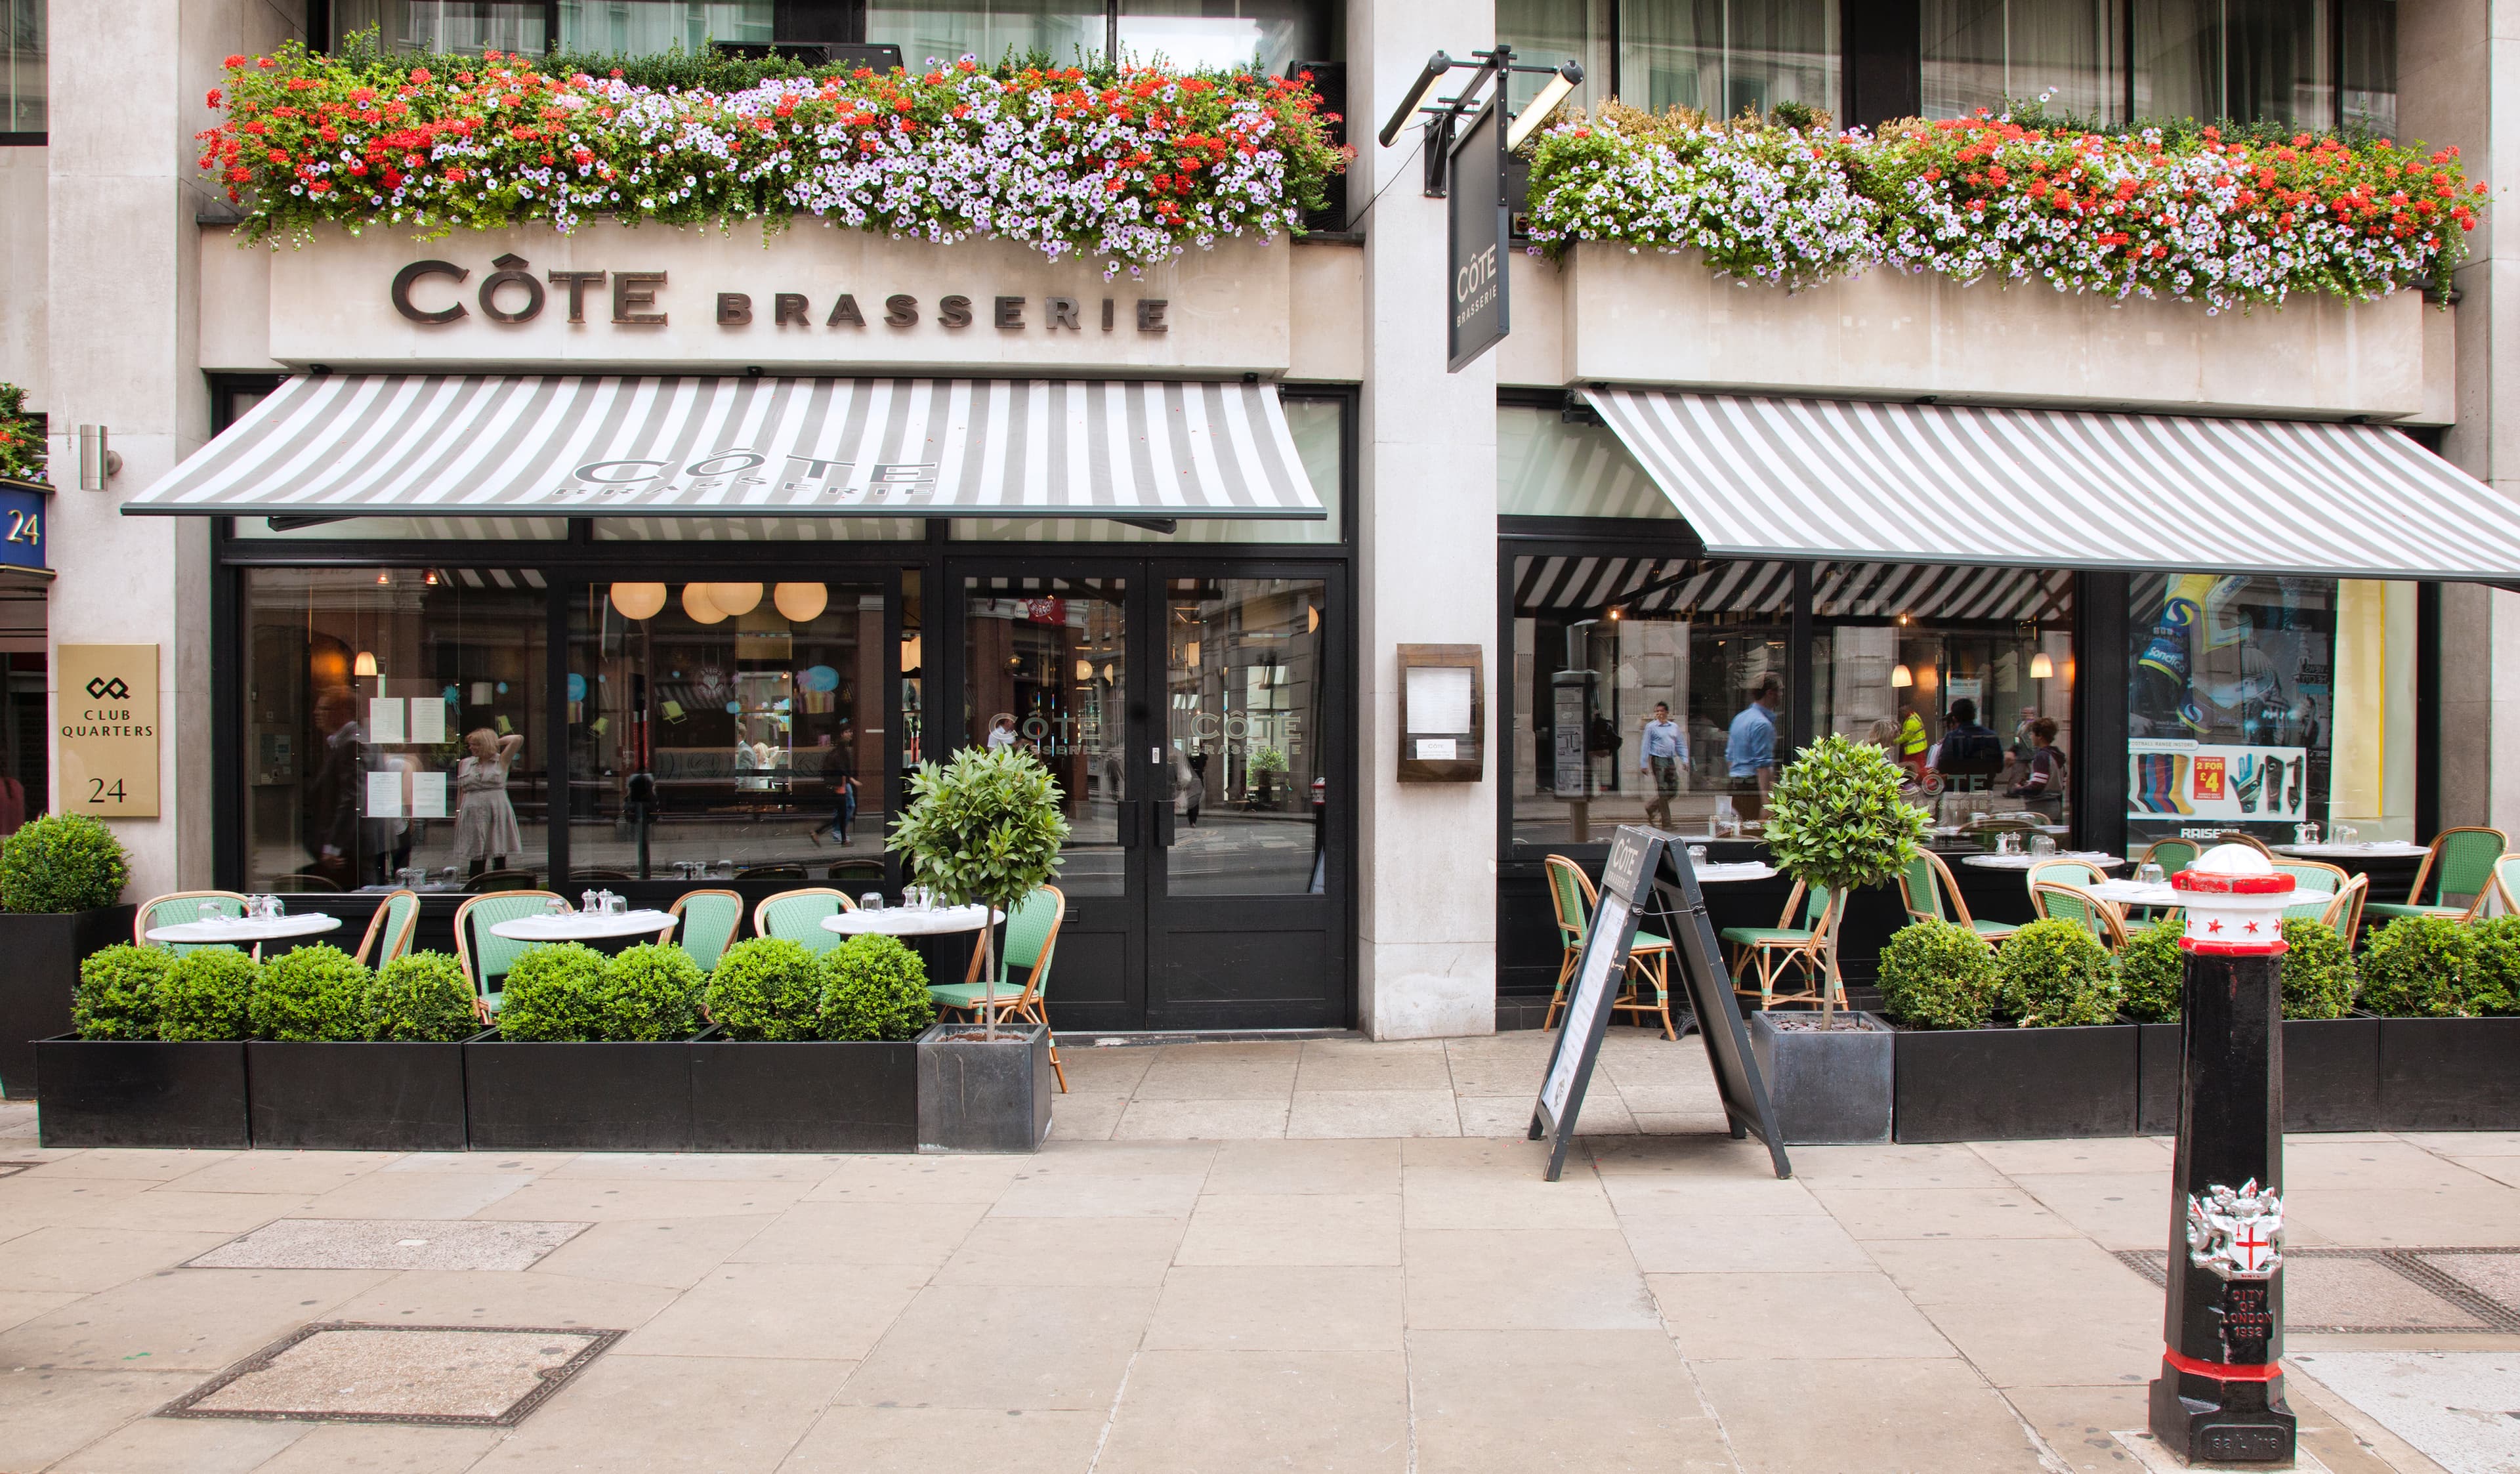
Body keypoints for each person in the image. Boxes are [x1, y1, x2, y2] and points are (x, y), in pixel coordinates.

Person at [453, 726, 526, 876]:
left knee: (498, 852)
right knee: (476, 854)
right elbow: (461, 790)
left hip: (496, 809)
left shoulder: (501, 760)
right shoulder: (465, 763)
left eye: (476, 744)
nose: (471, 748)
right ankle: (475, 886)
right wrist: (458, 813)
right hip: (472, 809)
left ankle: (499, 885)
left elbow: (517, 739)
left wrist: (493, 743)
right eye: (471, 744)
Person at [1725, 676, 1782, 805]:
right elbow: (1763, 766)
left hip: (1736, 785)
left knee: (1741, 824)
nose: (1782, 695)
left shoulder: (1740, 718)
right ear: (1770, 693)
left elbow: (1729, 757)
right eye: (1780, 691)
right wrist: (1766, 801)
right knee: (1755, 824)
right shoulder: (1762, 724)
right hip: (1752, 787)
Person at [2006, 716, 2069, 820]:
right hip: (2055, 804)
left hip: (2040, 807)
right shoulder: (2058, 755)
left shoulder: (2042, 756)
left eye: (2032, 734)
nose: (2030, 737)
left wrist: (2019, 789)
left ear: (2039, 735)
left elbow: (2037, 787)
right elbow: (2062, 783)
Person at [1639, 701, 1686, 829]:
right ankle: (1667, 823)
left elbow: (1680, 744)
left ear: (1667, 713)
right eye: (1657, 711)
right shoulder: (1651, 727)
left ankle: (1651, 807)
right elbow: (1645, 745)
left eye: (1661, 711)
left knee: (1674, 790)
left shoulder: (1674, 727)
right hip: (1657, 760)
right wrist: (1644, 764)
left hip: (1670, 759)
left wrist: (1685, 760)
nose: (1659, 714)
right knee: (1663, 791)